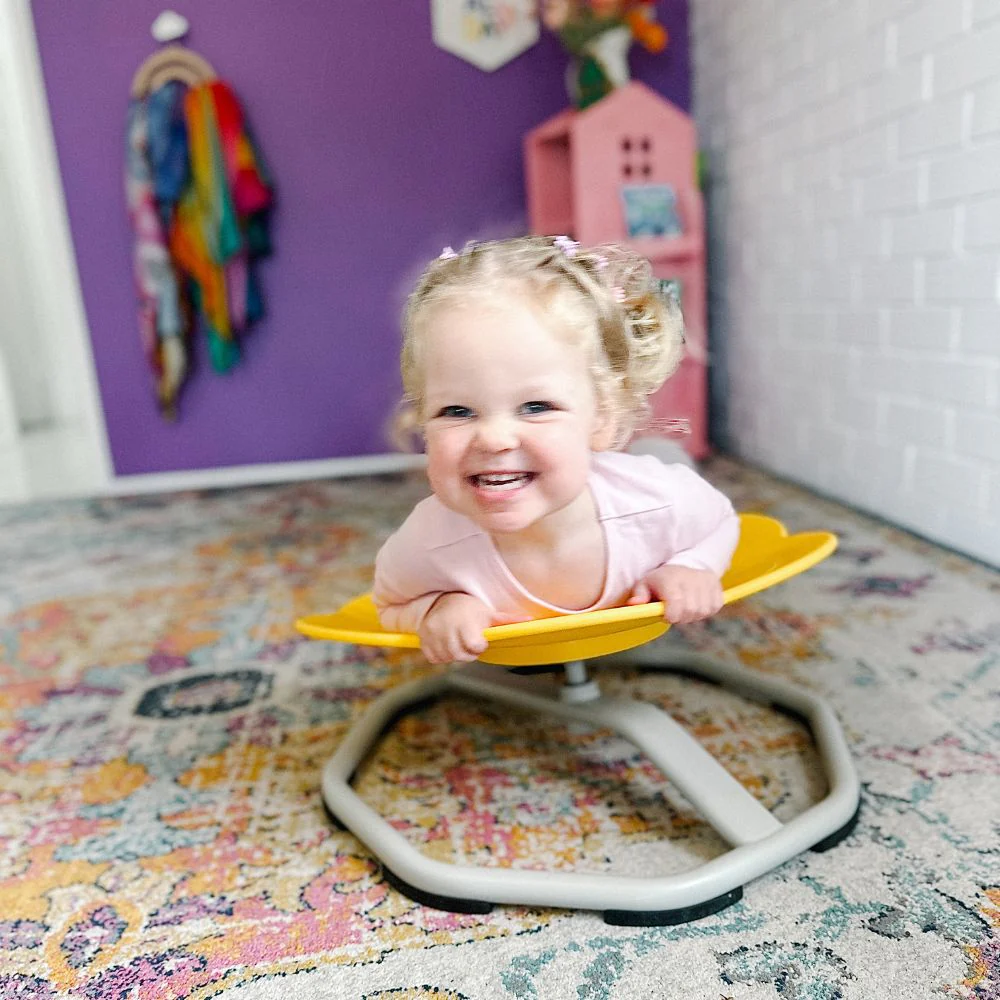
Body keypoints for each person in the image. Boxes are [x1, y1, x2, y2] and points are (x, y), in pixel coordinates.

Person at [373, 235, 739, 664]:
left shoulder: (656, 501)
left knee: (667, 460)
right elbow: (388, 605)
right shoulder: (427, 542)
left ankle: (660, 450)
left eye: (535, 406)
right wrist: (434, 609)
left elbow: (721, 522)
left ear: (601, 417)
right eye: (457, 410)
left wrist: (694, 566)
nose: (493, 439)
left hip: (640, 474)